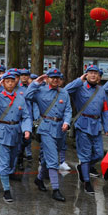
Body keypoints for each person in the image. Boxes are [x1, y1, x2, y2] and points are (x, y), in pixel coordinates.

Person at [0, 72, 32, 203]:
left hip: (16, 132)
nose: (10, 83)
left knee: (10, 164)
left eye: (12, 81)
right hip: (2, 132)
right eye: (7, 81)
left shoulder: (20, 98)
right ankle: (7, 191)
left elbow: (26, 115)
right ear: (3, 82)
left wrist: (27, 129)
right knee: (4, 164)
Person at [25, 69, 72, 202]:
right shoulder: (40, 90)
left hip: (60, 129)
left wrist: (67, 122)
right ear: (47, 79)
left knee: (49, 157)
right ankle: (56, 189)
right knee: (53, 160)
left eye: (58, 78)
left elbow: (68, 109)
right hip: (45, 127)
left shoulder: (64, 93)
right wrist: (35, 83)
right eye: (52, 77)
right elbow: (27, 96)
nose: (55, 80)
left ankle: (39, 179)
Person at [64, 65, 108, 194]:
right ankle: (86, 181)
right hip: (83, 124)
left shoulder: (101, 91)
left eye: (96, 73)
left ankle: (83, 167)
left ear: (99, 77)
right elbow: (65, 90)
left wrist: (107, 127)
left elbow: (105, 110)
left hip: (96, 125)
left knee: (99, 154)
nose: (93, 75)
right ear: (86, 75)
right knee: (85, 155)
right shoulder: (79, 88)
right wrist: (79, 80)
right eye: (90, 73)